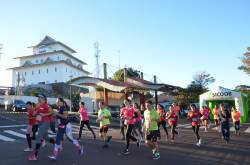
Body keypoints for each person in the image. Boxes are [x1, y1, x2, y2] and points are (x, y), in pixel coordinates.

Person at [28, 94, 55, 161]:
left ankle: (35, 156)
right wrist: (35, 112)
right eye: (38, 97)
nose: (38, 98)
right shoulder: (38, 105)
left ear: (43, 98)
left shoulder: (46, 105)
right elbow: (34, 113)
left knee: (38, 138)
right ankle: (57, 144)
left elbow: (52, 112)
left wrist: (44, 114)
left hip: (46, 123)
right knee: (47, 138)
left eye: (39, 97)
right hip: (40, 123)